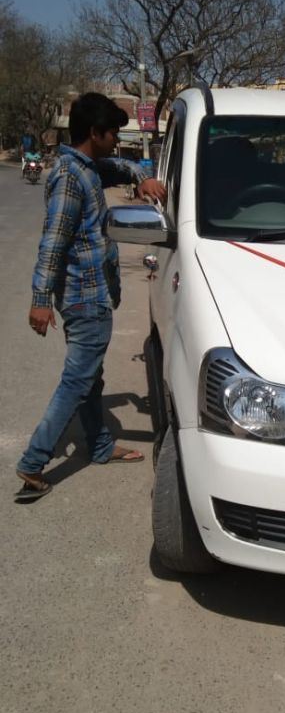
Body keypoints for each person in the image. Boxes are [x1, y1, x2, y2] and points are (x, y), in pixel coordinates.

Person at [15, 92, 167, 501]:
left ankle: (99, 445)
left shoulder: (86, 167)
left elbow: (117, 167)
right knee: (77, 381)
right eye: (113, 132)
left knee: (90, 377)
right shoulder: (70, 177)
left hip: (92, 294)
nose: (117, 139)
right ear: (95, 133)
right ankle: (33, 461)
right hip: (85, 297)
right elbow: (53, 242)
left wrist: (140, 176)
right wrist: (40, 299)